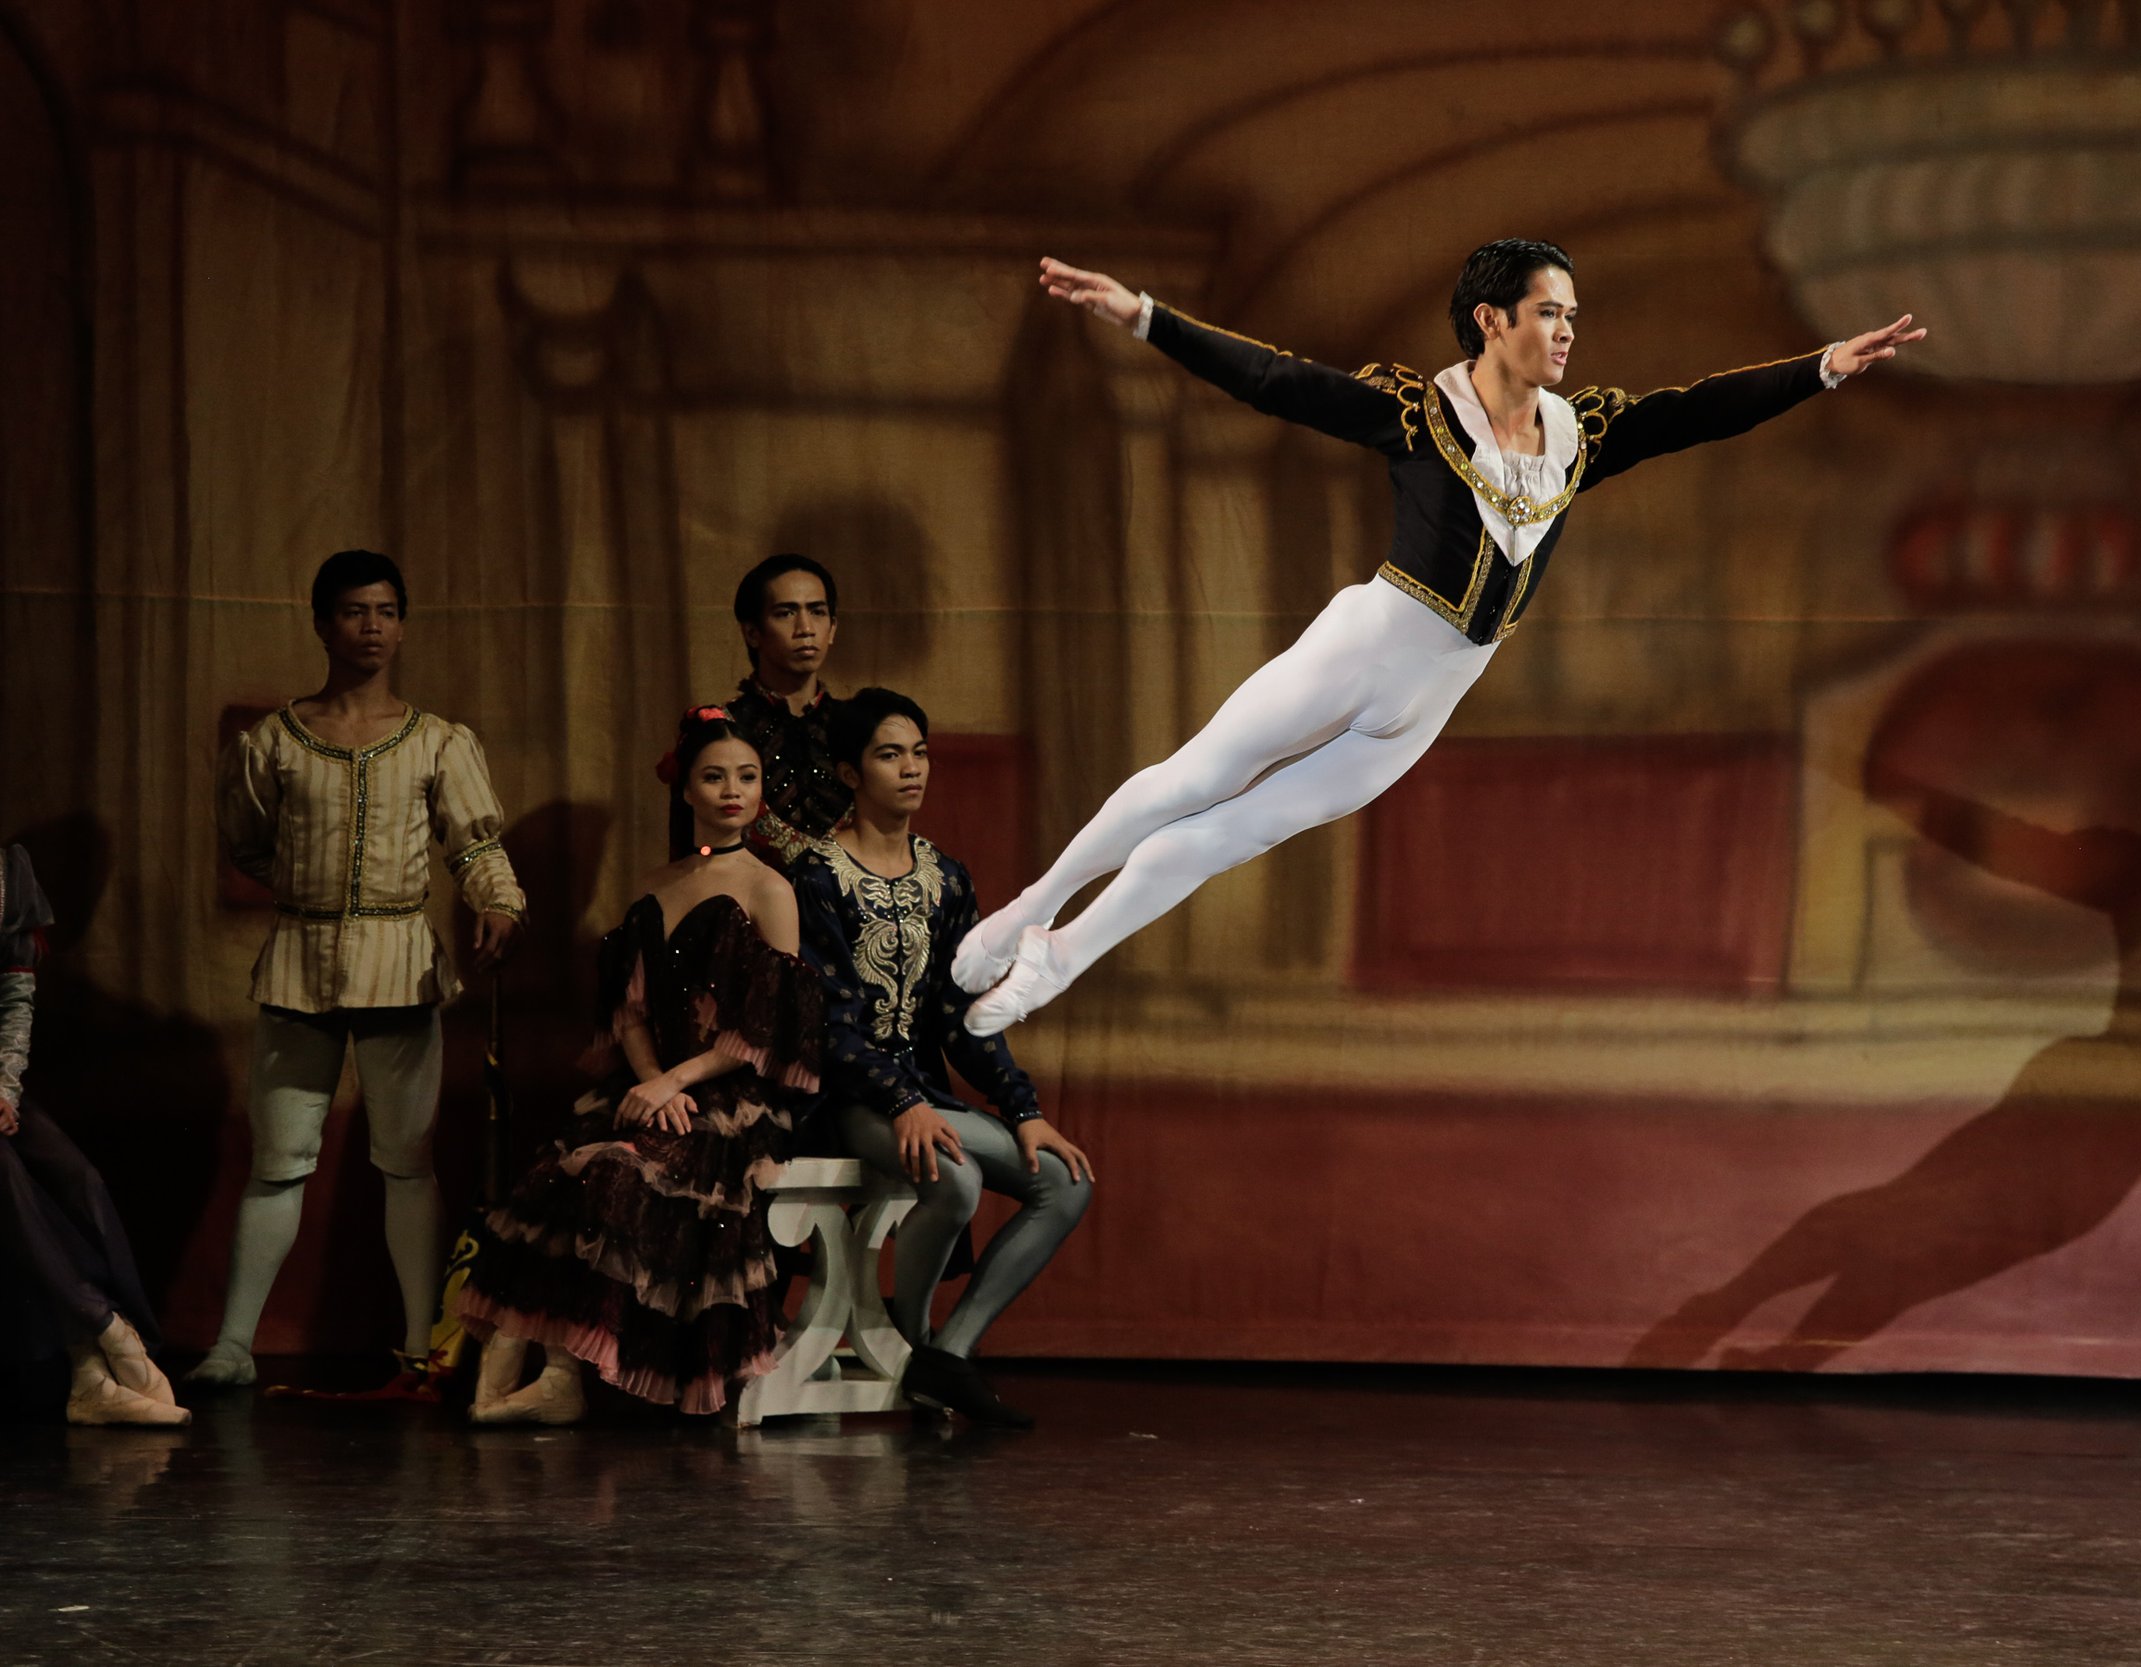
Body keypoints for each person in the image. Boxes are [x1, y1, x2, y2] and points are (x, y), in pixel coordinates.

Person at [954, 242, 1924, 1033]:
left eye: (1574, 315)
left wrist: (1821, 368)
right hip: (1367, 644)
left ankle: (1061, 959)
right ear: (1491, 319)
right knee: (1193, 780)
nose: (1568, 332)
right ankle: (1028, 906)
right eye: (1551, 311)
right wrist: (1145, 317)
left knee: (1230, 833)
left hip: (1432, 697)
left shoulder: (1579, 432)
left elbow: (1694, 413)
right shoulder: (1418, 413)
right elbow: (1276, 383)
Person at [191, 550, 527, 1391]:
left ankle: (422, 1343)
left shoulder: (438, 741)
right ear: (322, 623)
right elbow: (250, 842)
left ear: (402, 623)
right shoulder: (273, 741)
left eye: (384, 610)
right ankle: (233, 1344)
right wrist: (316, 897)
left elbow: (476, 844)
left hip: (400, 966)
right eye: (353, 611)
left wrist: (500, 899)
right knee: (279, 1157)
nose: (371, 627)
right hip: (300, 963)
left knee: (406, 1159)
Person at [458, 708, 822, 1423]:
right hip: (655, 1084)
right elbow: (627, 1008)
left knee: (612, 1174)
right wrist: (649, 1080)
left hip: (730, 1095)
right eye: (714, 776)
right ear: (684, 788)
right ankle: (524, 1368)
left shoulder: (770, 888)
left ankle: (563, 1374)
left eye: (747, 777)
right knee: (549, 1177)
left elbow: (770, 1025)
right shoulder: (655, 883)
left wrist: (674, 1081)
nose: (732, 791)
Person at [813, 688, 1093, 1428]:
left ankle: (948, 1357)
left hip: (922, 1098)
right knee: (956, 1178)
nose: (911, 769)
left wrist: (1024, 1110)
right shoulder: (815, 876)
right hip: (844, 1100)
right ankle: (911, 1340)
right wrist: (899, 1101)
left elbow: (964, 1017)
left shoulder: (946, 878)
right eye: (888, 754)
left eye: (920, 752)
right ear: (848, 771)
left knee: (1064, 1181)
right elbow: (825, 1027)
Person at [0, 845, 188, 1425]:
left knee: (74, 1176)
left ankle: (89, 1374)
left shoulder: (8, 869)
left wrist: (5, 1087)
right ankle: (107, 1335)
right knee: (5, 1173)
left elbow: (14, 998)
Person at [724, 553, 850, 870]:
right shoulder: (722, 729)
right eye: (786, 613)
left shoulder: (859, 727)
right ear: (752, 632)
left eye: (818, 612)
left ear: (832, 628)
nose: (805, 628)